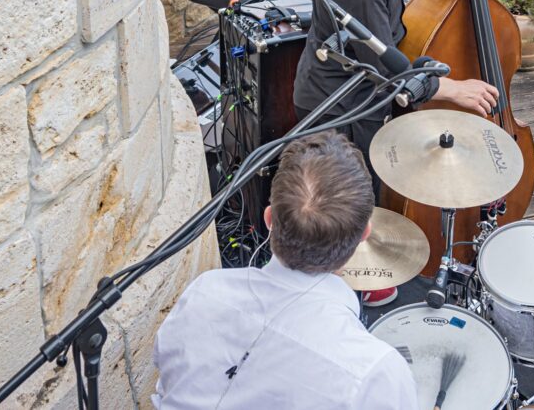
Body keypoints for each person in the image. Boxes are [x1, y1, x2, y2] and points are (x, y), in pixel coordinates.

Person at [292, 0, 499, 306]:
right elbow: (390, 71)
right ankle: (340, 297)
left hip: (354, 90)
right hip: (341, 104)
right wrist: (452, 88)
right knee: (342, 208)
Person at [152, 131, 417, 410]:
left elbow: (166, 381)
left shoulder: (203, 293)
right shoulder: (375, 373)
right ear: (364, 234)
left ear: (269, 220)